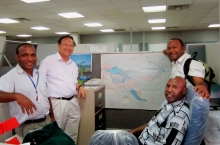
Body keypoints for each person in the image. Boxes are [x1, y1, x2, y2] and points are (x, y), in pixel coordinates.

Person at [0, 43, 54, 138]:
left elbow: (47, 96)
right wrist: (17, 96)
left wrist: (52, 116)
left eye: (33, 55)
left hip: (47, 121)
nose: (30, 59)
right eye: (25, 55)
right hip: (28, 126)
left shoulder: (40, 74)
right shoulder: (11, 76)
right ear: (17, 57)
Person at [39, 35, 86, 143]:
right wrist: (49, 110)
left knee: (73, 133)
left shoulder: (73, 64)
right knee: (57, 134)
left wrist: (81, 87)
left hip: (73, 101)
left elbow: (74, 82)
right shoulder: (48, 61)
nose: (68, 47)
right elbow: (40, 84)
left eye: (71, 45)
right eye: (65, 44)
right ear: (58, 45)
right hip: (57, 103)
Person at [130, 76, 190, 145]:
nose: (169, 90)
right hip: (142, 139)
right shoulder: (167, 103)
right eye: (168, 86)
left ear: (184, 91)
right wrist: (133, 131)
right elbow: (153, 123)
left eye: (174, 87)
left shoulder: (179, 115)